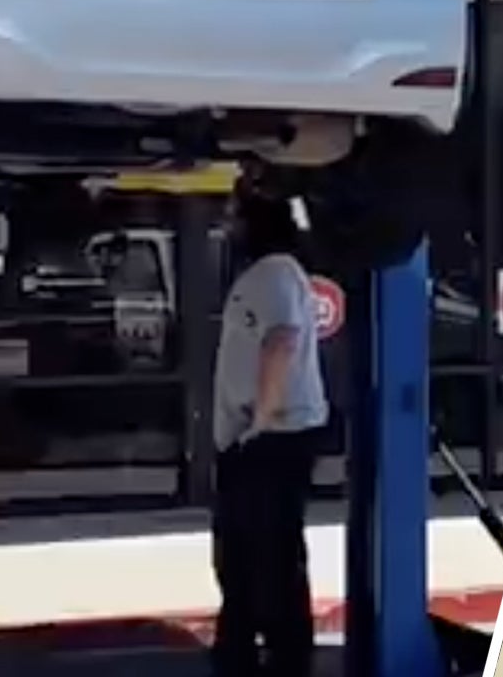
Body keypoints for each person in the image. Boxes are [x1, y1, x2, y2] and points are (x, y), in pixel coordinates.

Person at [211, 182, 329, 677]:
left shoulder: (275, 273)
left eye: (235, 214)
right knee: (245, 554)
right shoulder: (265, 275)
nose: (228, 224)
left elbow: (281, 342)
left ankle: (281, 660)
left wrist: (259, 420)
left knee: (268, 557)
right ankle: (241, 650)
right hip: (262, 438)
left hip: (270, 440)